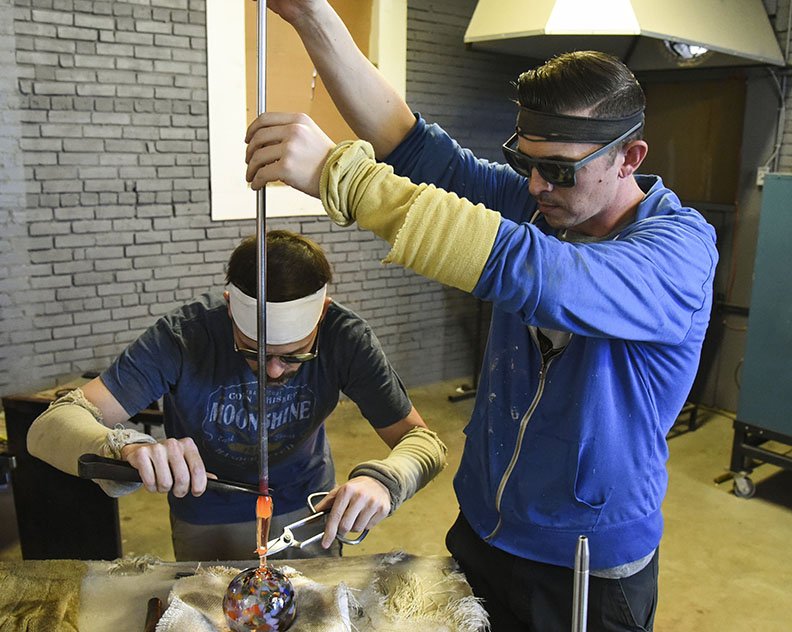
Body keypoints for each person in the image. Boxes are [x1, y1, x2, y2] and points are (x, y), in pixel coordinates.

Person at [242, 2, 719, 630]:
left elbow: (542, 274)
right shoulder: (542, 204)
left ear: (628, 158)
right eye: (525, 163)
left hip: (582, 563)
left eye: (559, 170)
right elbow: (412, 146)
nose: (537, 187)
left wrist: (344, 177)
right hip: (485, 529)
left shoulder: (677, 251)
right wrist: (313, 18)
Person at [27, 230, 447, 561]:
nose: (272, 371)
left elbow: (424, 442)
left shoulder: (345, 339)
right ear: (230, 307)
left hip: (305, 508)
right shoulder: (184, 337)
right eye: (252, 351)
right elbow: (47, 427)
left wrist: (385, 481)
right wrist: (124, 446)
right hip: (205, 511)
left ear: (322, 312)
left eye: (294, 355)